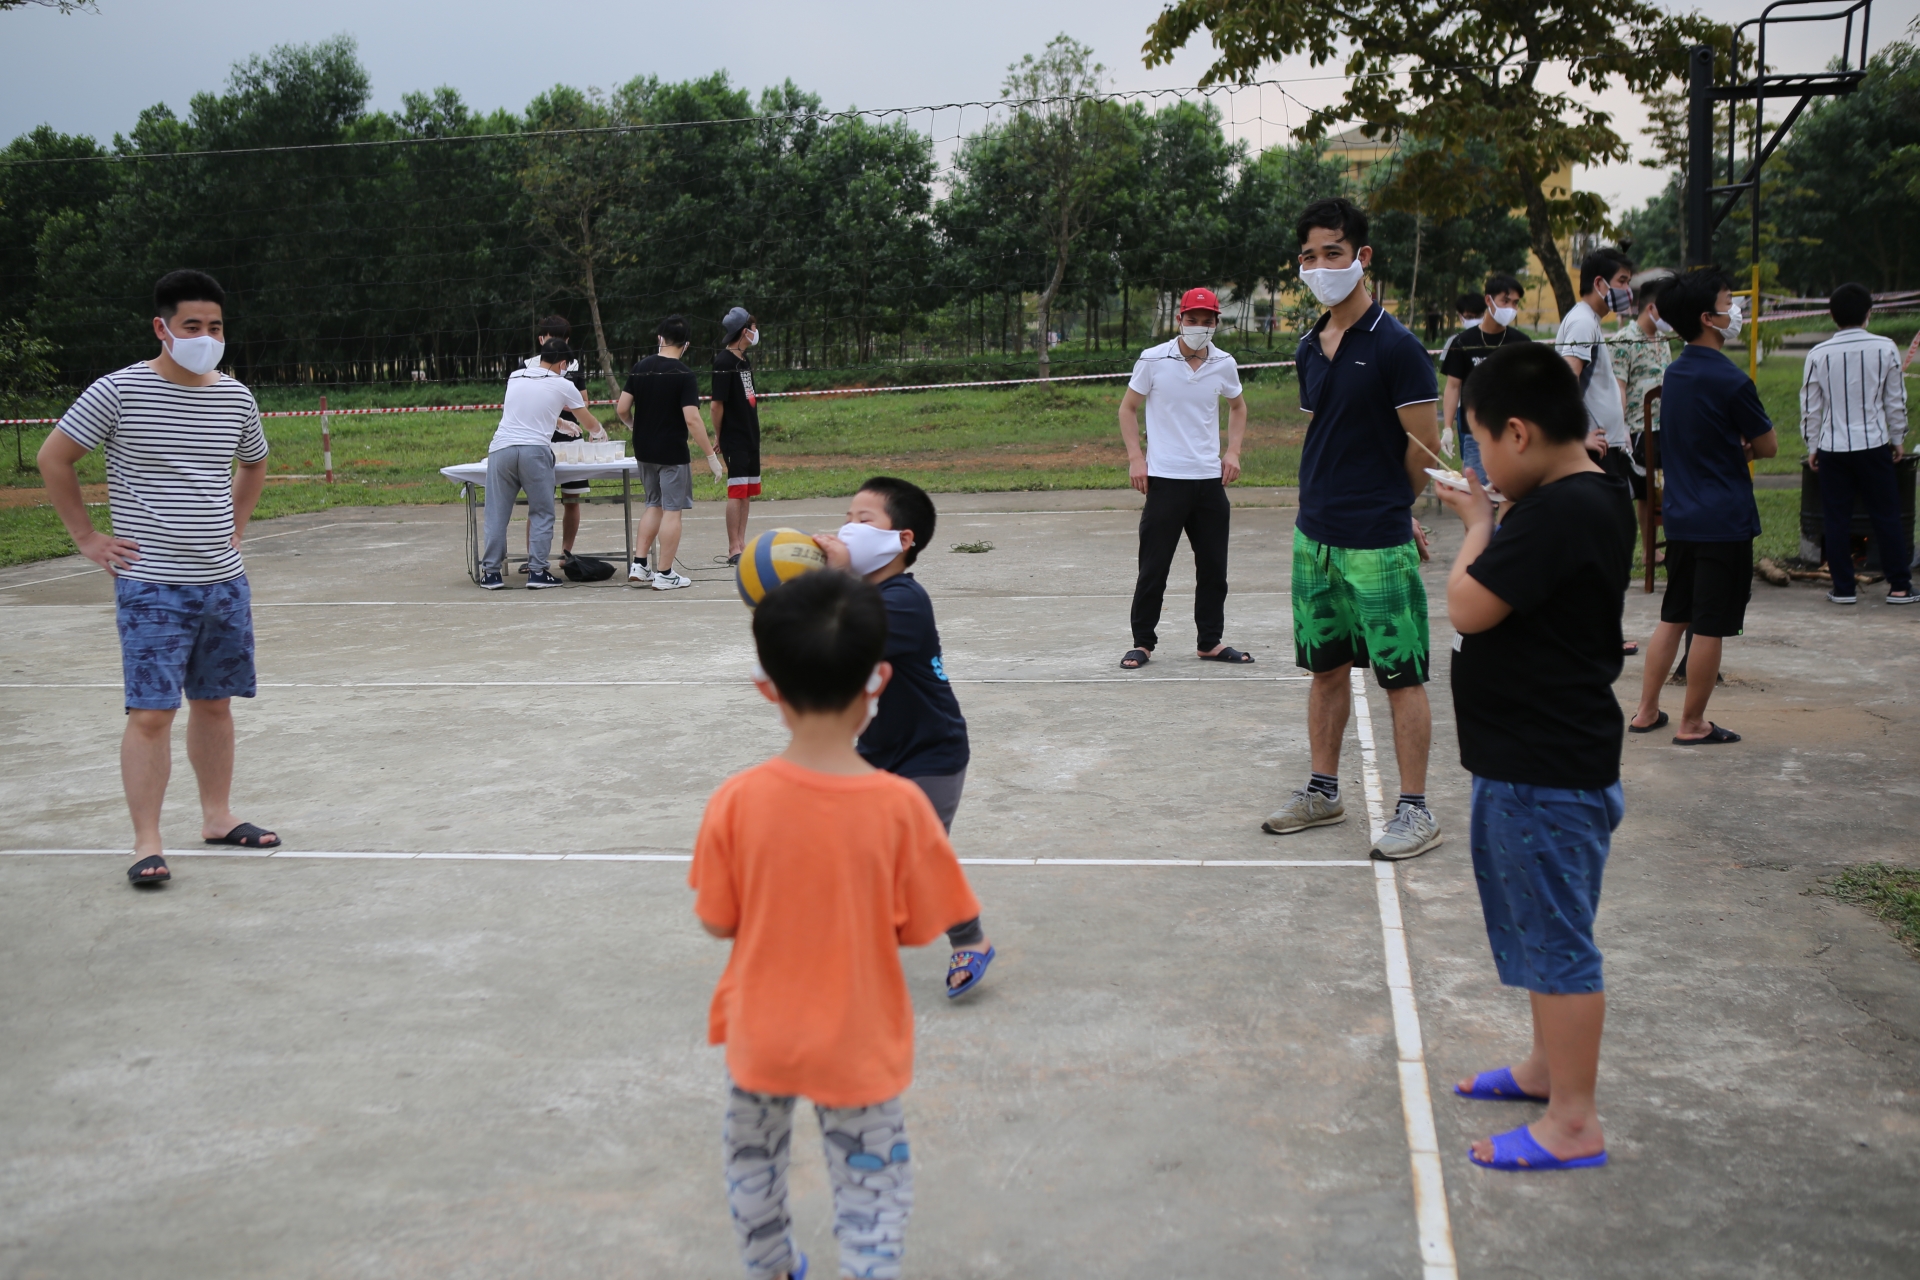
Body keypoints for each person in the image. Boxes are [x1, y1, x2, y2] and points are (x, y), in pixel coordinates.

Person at [691, 569, 982, 1280]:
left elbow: (716, 918)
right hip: (858, 1037)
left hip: (762, 1034)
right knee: (871, 1185)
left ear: (768, 688)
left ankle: (771, 1266)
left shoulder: (735, 801)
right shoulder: (902, 808)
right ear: (878, 681)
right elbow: (919, 929)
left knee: (753, 1167)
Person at [1433, 342, 1635, 1173]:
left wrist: (1479, 524)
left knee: (1558, 947)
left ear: (1517, 433)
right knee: (1543, 933)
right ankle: (1547, 1070)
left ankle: (1573, 1122)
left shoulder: (1557, 514)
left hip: (1544, 772)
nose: (1477, 462)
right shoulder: (1585, 492)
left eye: (1479, 443)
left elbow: (1470, 607)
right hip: (1539, 762)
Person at [36, 269, 282, 886]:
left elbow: (254, 463)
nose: (205, 336)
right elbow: (55, 457)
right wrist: (87, 538)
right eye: (192, 325)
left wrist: (238, 524)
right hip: (152, 586)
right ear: (162, 328)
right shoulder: (118, 392)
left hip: (223, 581)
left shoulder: (234, 396)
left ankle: (218, 817)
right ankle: (147, 842)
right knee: (151, 713)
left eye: (215, 326)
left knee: (216, 705)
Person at [1264, 198, 1443, 862]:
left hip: (1377, 541)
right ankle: (1323, 791)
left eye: (1332, 253)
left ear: (1362, 257)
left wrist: (1395, 514)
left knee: (1400, 674)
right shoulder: (1311, 344)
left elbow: (1423, 446)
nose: (1319, 266)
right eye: (1309, 256)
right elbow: (1327, 429)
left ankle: (1416, 808)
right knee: (1326, 669)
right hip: (1315, 538)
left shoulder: (1397, 346)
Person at [815, 475, 995, 997]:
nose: (849, 529)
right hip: (875, 750)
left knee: (916, 861)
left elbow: (845, 639)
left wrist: (836, 580)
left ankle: (972, 941)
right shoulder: (864, 593)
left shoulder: (904, 601)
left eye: (864, 520)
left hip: (931, 753)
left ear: (903, 539)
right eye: (847, 517)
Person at [1629, 270, 1779, 744]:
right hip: (1723, 519)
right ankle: (1693, 722)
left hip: (1681, 515)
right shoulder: (1732, 380)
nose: (1735, 311)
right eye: (1729, 303)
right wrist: (1743, 449)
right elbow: (1769, 444)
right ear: (1707, 318)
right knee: (1711, 624)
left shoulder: (1674, 374)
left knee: (1674, 615)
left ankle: (1646, 711)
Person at [1116, 285, 1253, 670]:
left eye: (1206, 321)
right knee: (1154, 567)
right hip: (1165, 480)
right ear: (1180, 319)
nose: (1198, 327)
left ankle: (1210, 641)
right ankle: (1142, 643)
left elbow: (1238, 407)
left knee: (1213, 568)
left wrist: (1233, 451)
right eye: (1191, 320)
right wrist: (1135, 458)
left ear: (1215, 323)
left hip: (1209, 481)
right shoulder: (1154, 359)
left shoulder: (1224, 362)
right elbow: (1127, 409)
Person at [1801, 282, 1914, 605]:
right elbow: (1895, 400)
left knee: (1836, 518)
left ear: (1833, 316)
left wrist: (1813, 446)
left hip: (1832, 448)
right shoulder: (1885, 348)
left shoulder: (1818, 354)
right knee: (1886, 515)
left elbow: (1811, 407)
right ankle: (1900, 586)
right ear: (1868, 314)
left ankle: (1843, 588)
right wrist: (1898, 438)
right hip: (1874, 443)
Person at [478, 338, 604, 590]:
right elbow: (587, 420)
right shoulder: (563, 383)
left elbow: (528, 408)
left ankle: (491, 573)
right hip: (534, 452)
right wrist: (599, 432)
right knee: (542, 512)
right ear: (563, 363)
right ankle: (537, 572)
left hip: (500, 450)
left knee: (496, 513)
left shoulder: (515, 376)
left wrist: (559, 423)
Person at [617, 315, 718, 592]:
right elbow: (692, 419)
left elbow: (622, 408)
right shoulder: (684, 374)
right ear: (686, 344)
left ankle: (639, 564)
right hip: (672, 452)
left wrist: (634, 426)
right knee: (672, 511)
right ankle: (664, 573)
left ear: (659, 338)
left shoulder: (641, 367)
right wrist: (711, 455)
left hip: (644, 450)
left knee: (653, 504)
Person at [1441, 274, 1532, 484]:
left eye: (1515, 303)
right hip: (1476, 434)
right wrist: (1447, 427)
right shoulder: (1463, 342)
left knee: (1513, 495)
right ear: (1488, 300)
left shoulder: (1521, 342)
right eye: (1505, 301)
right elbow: (1453, 387)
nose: (1510, 308)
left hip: (1512, 433)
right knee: (1478, 495)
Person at [1608, 275, 1676, 535]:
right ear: (1651, 308)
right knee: (1646, 491)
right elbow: (1619, 387)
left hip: (1663, 425)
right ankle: (1649, 551)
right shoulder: (1625, 339)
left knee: (1660, 488)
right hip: (1638, 428)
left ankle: (1655, 546)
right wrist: (1621, 427)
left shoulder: (1661, 339)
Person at [523, 315, 592, 569]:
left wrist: (564, 404)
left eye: (561, 340)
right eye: (551, 339)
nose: (556, 345)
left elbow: (583, 402)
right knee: (539, 500)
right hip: (539, 438)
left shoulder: (572, 366)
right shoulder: (527, 367)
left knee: (571, 499)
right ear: (542, 340)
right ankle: (533, 557)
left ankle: (566, 553)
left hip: (570, 437)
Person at [712, 306, 763, 566]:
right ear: (745, 331)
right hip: (734, 437)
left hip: (750, 434)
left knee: (747, 492)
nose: (756, 333)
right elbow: (716, 405)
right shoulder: (724, 362)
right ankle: (733, 547)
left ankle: (743, 543)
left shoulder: (743, 360)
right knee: (736, 491)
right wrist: (719, 436)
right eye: (754, 329)